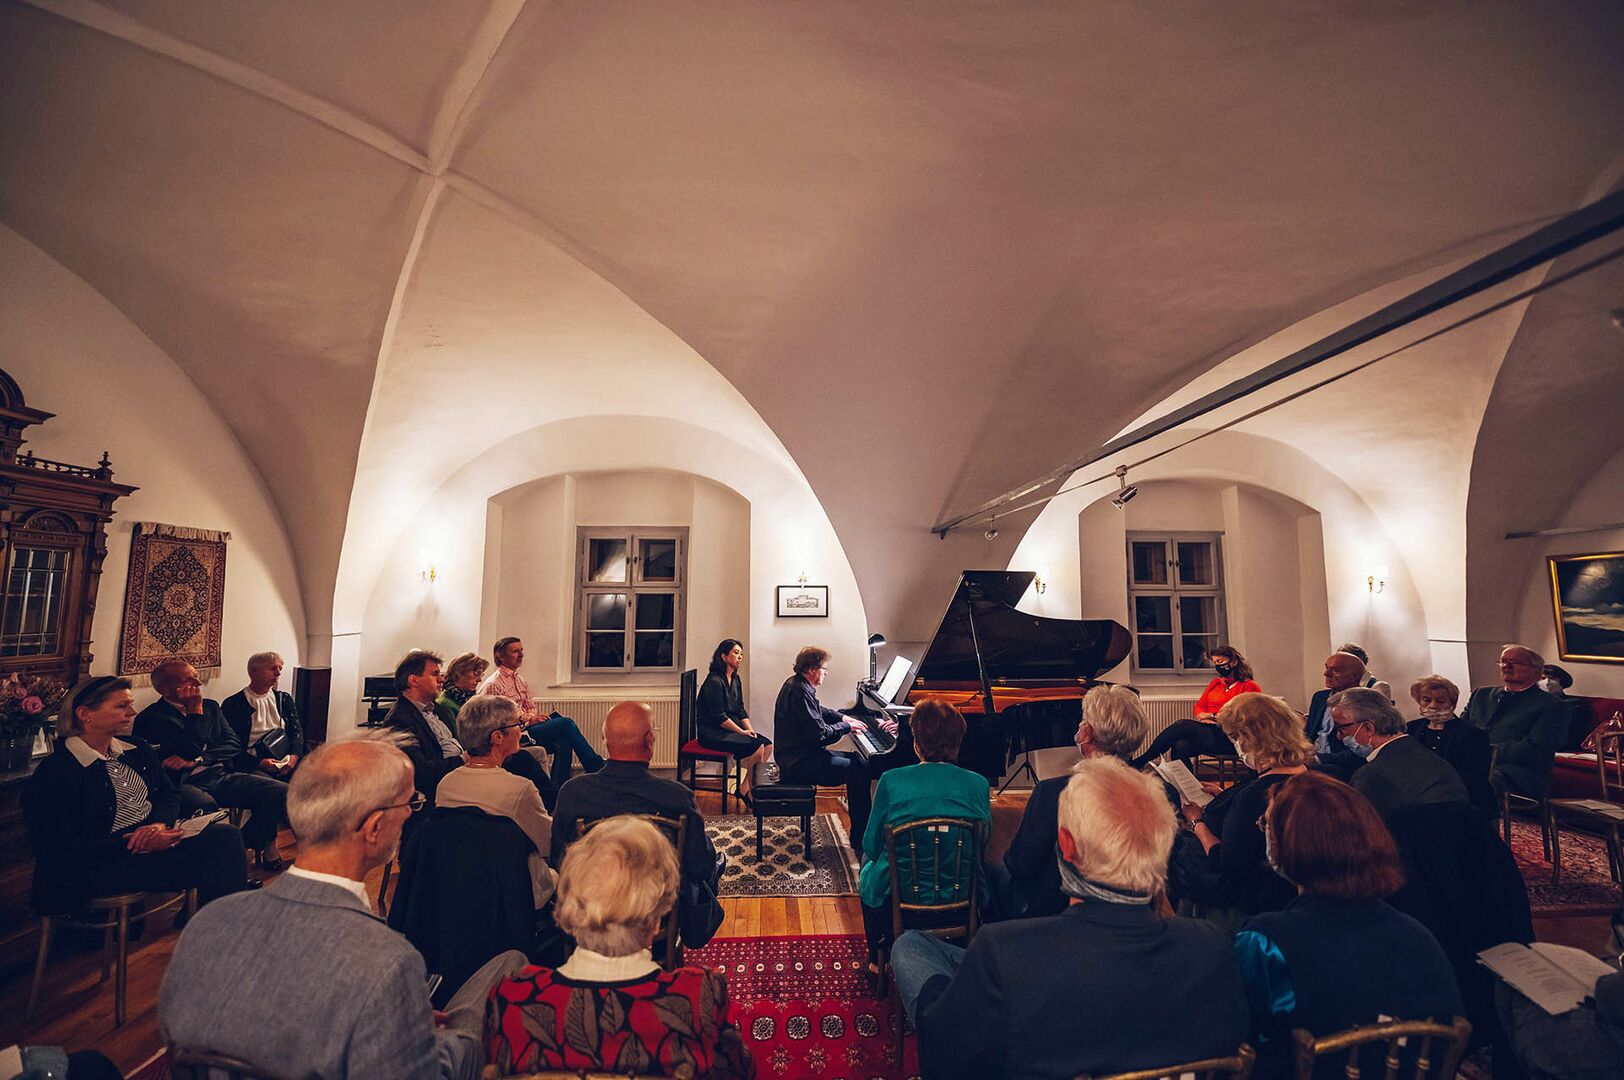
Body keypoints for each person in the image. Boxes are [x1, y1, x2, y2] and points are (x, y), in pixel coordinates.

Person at [160, 739, 527, 1080]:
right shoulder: (387, 960)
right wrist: (436, 1038)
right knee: (509, 965)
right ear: (374, 827)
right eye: (411, 803)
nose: (413, 814)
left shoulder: (209, 921)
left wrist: (394, 1019)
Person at [892, 757, 1248, 1079]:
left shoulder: (1003, 950)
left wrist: (938, 996)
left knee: (910, 948)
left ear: (1066, 844)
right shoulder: (1214, 946)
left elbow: (945, 1062)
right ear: (1161, 844)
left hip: (1000, 989)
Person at [484, 817, 755, 1078]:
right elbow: (740, 1071)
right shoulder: (698, 997)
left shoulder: (510, 1000)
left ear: (569, 905)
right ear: (656, 917)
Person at [1235, 772, 1463, 1078]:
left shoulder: (1266, 940)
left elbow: (1238, 1037)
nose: (1262, 831)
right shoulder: (1419, 935)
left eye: (1266, 825)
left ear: (1287, 844)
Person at [23, 676, 250, 916]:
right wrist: (134, 843)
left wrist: (156, 825)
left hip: (147, 844)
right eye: (121, 706)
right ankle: (219, 929)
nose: (132, 711)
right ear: (85, 713)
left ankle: (217, 925)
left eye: (129, 704)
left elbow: (169, 794)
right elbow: (58, 846)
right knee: (218, 860)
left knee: (226, 836)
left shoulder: (136, 748)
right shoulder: (58, 771)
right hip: (100, 862)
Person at [550, 701, 724, 948]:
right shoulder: (676, 797)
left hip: (592, 913)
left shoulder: (573, 793)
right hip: (655, 915)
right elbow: (699, 864)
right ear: (650, 740)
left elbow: (559, 860)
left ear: (605, 741)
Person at [857, 700, 989, 956]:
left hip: (903, 897)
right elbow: (983, 842)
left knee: (867, 862)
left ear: (916, 742)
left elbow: (871, 846)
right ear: (958, 741)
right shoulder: (979, 785)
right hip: (961, 896)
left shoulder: (892, 781)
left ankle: (876, 957)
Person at [1004, 684, 1148, 918]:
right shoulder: (1160, 794)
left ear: (1087, 733)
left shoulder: (1052, 793)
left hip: (1059, 914)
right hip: (1132, 912)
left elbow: (1020, 864)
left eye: (1083, 720)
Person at [135, 658, 291, 869]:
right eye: (189, 680)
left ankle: (241, 847)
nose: (198, 685)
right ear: (165, 689)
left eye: (196, 677)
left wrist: (201, 759)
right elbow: (189, 748)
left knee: (282, 793)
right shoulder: (151, 718)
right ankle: (219, 866)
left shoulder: (211, 707)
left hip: (218, 775)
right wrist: (194, 712)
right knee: (207, 807)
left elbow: (232, 744)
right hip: (183, 784)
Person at [1170, 692, 1306, 923]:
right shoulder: (1303, 773)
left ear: (1250, 737)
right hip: (1276, 885)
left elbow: (1225, 862)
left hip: (1239, 892)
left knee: (1172, 848)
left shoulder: (1255, 795)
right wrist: (1226, 797)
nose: (1234, 745)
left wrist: (1196, 823)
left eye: (1234, 737)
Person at [388, 649, 556, 810]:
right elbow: (421, 773)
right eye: (434, 674)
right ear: (413, 680)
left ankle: (550, 809)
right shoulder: (400, 720)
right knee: (523, 763)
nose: (441, 679)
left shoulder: (436, 709)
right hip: (449, 778)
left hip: (465, 763)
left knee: (521, 757)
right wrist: (465, 758)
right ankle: (552, 814)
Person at [434, 694, 557, 909]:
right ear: (497, 737)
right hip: (513, 890)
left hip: (459, 887)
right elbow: (548, 843)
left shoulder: (446, 784)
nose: (522, 729)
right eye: (518, 724)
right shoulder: (519, 789)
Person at [773, 646, 874, 851]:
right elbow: (820, 736)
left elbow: (819, 711)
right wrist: (846, 726)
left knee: (858, 761)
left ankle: (862, 833)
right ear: (812, 669)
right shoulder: (800, 691)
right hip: (798, 762)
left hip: (797, 755)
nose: (826, 674)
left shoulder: (797, 685)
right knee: (859, 769)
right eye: (824, 669)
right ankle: (861, 839)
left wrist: (842, 717)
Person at [479, 636, 604, 786]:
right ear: (500, 656)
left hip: (527, 727)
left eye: (521, 651)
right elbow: (501, 718)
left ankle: (557, 788)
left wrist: (533, 717)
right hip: (514, 732)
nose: (521, 655)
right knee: (566, 723)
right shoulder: (494, 684)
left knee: (563, 741)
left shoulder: (520, 680)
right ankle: (593, 764)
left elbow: (530, 705)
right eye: (515, 651)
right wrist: (529, 719)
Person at [1333, 687, 1470, 824]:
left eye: (1341, 728)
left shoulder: (1371, 776)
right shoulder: (1428, 756)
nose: (1338, 736)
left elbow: (1367, 835)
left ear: (1368, 727)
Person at [1464, 644, 1567, 799]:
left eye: (1516, 662)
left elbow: (1536, 748)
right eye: (1503, 661)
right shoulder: (1481, 694)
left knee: (1472, 782)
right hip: (1474, 763)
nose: (1507, 666)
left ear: (1536, 671)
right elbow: (1462, 730)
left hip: (1517, 772)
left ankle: (1480, 823)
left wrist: (1485, 754)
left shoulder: (1552, 705)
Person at [1129, 645, 1259, 769]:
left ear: (1234, 662)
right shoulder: (1215, 683)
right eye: (1215, 663)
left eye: (1220, 661)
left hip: (1232, 737)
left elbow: (1246, 716)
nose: (1218, 666)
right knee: (1180, 745)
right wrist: (1206, 717)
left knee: (1182, 725)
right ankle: (1187, 787)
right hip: (1212, 729)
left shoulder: (1249, 686)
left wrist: (1213, 716)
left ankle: (1142, 760)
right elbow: (1199, 707)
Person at [1405, 674, 1496, 815]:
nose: (1433, 706)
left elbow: (1472, 778)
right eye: (1426, 700)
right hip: (1419, 795)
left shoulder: (1472, 735)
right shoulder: (1410, 729)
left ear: (1452, 704)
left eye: (1440, 701)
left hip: (1460, 798)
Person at [695, 638, 773, 802]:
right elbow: (720, 718)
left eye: (741, 654)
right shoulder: (714, 681)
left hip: (729, 730)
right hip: (713, 733)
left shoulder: (735, 679)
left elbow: (740, 709)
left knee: (767, 745)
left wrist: (749, 729)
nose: (740, 657)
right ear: (724, 656)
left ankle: (743, 789)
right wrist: (742, 732)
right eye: (736, 653)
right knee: (757, 747)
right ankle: (752, 795)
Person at [219, 651, 304, 778]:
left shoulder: (284, 699)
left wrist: (294, 757)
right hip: (252, 763)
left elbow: (296, 731)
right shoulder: (234, 704)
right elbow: (230, 746)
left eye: (280, 668)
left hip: (285, 756)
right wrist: (258, 763)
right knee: (276, 789)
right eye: (273, 668)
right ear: (254, 672)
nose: (278, 673)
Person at [1303, 651, 1369, 779]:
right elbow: (1308, 733)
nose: (1326, 673)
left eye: (1335, 670)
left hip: (1341, 766)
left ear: (1354, 676)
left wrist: (1317, 759)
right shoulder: (1319, 697)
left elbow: (1362, 751)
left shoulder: (1365, 702)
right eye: (1326, 667)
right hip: (1312, 757)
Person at [435, 652, 490, 728]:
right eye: (476, 673)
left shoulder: (472, 698)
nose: (480, 679)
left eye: (481, 674)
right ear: (458, 673)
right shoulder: (444, 704)